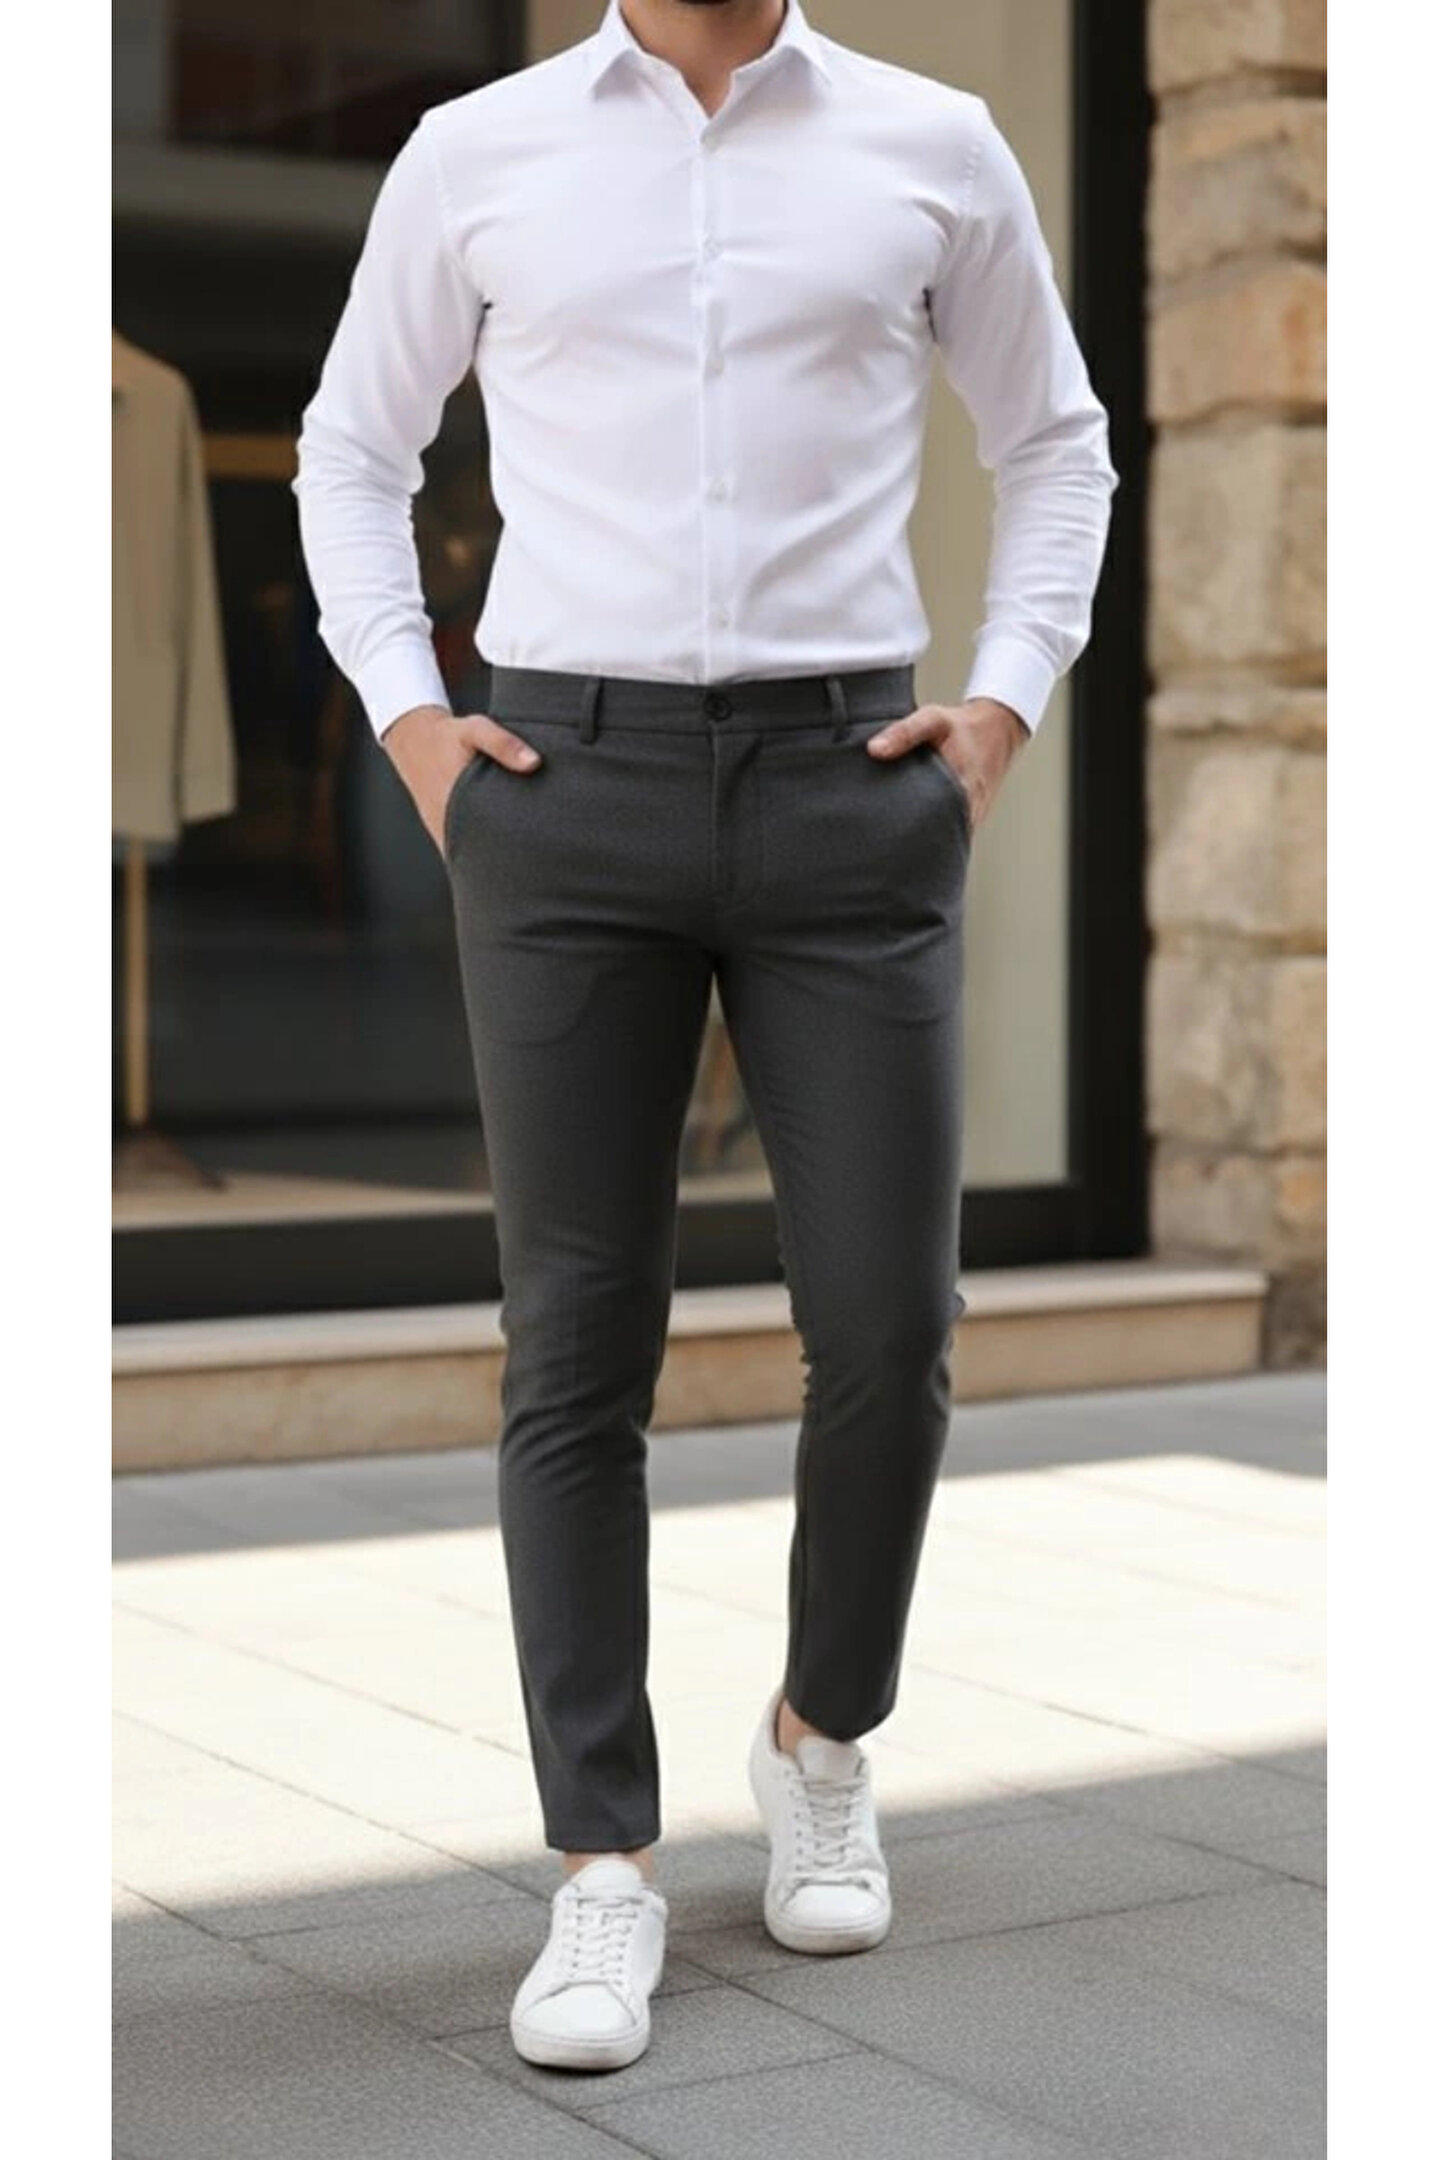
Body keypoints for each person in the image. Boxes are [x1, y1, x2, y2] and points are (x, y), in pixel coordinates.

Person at [292, 0, 1118, 2075]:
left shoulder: (936, 141)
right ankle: (602, 1863)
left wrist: (1001, 709)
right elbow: (349, 454)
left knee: (893, 1323)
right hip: (562, 788)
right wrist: (420, 733)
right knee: (577, 1343)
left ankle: (820, 1738)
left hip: (855, 783)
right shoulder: (477, 152)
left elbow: (1058, 445)